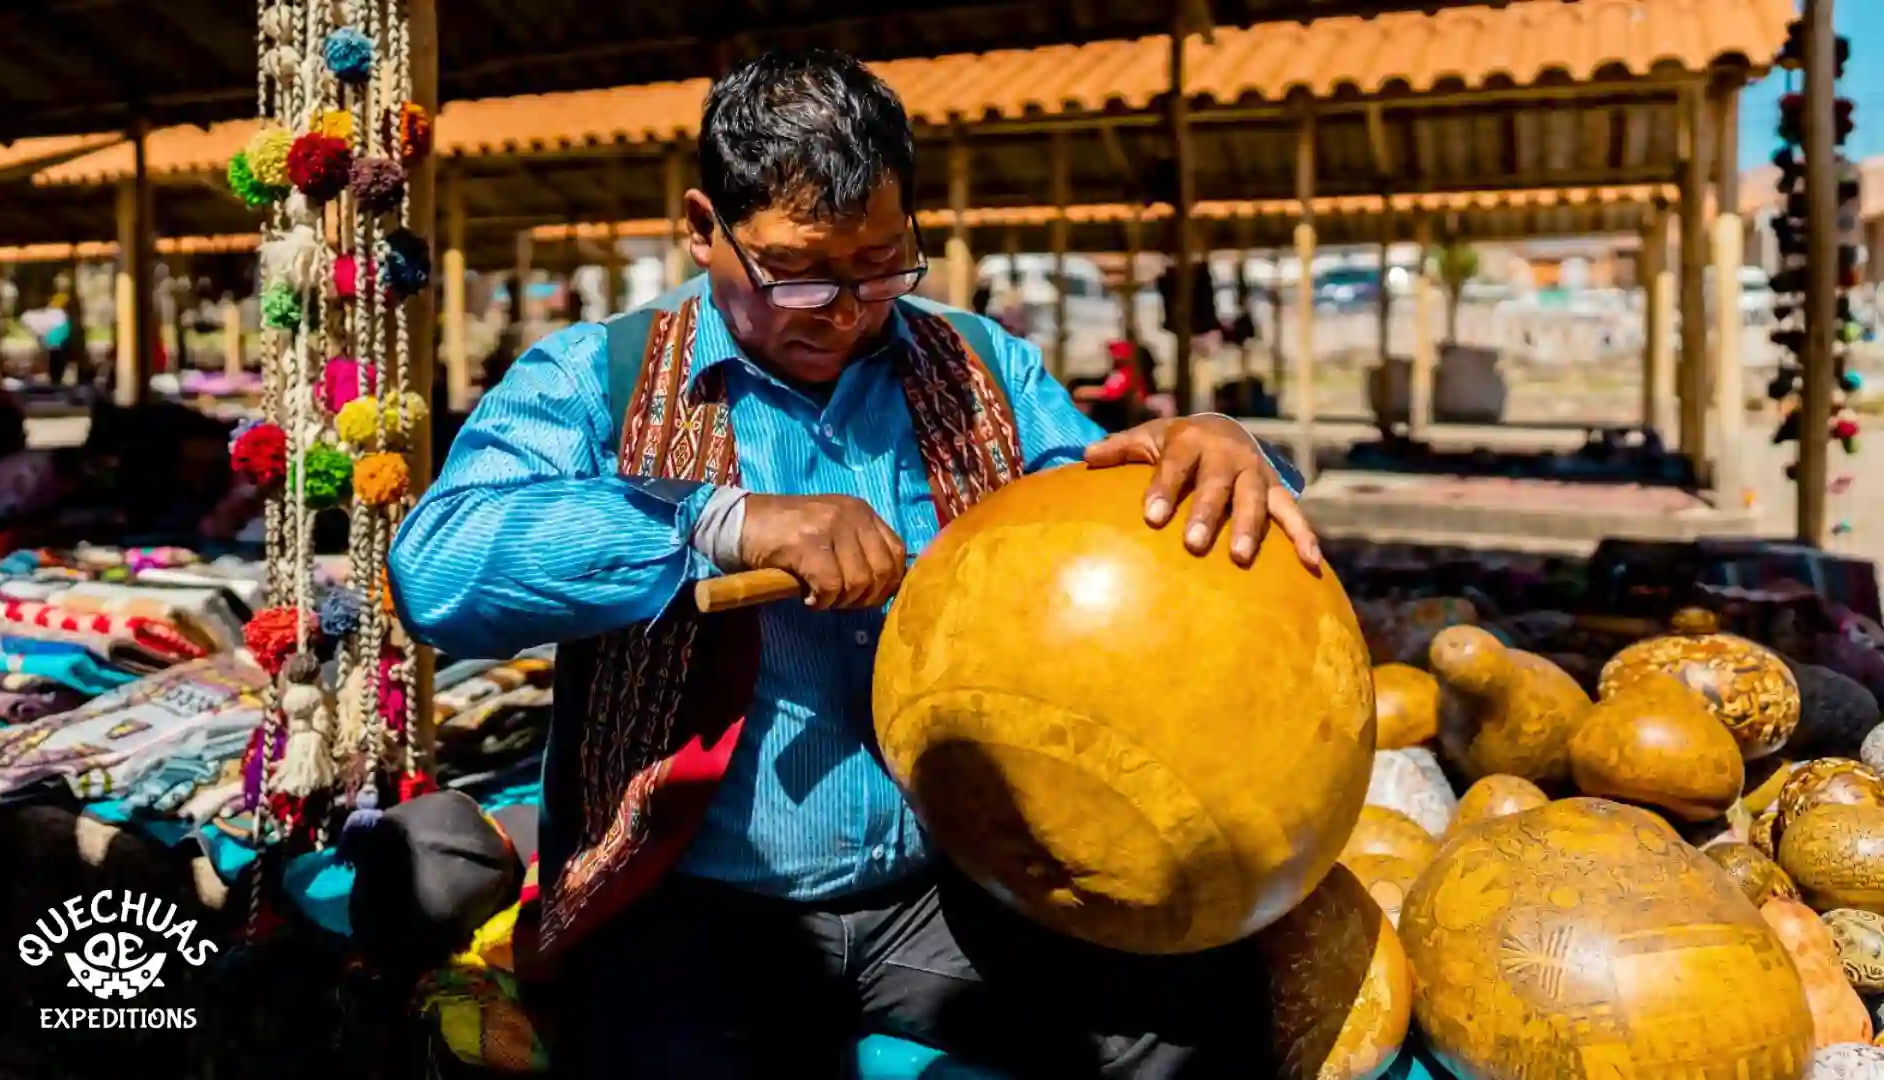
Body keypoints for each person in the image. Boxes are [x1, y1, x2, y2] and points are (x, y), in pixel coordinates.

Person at [389, 49, 1316, 1079]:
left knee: (1195, 1018)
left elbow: (1102, 514)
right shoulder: (592, 378)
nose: (843, 307)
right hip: (694, 902)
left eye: (882, 264)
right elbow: (434, 571)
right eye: (799, 271)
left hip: (947, 887)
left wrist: (1214, 441)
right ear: (703, 229)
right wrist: (720, 521)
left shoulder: (981, 367)